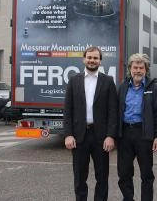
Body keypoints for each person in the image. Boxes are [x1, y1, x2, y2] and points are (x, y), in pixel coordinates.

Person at [64, 46, 118, 201]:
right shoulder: (74, 80)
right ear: (84, 59)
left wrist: (110, 136)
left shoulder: (108, 81)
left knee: (102, 177)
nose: (92, 60)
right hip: (79, 136)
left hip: (101, 137)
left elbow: (113, 111)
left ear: (100, 61)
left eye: (95, 58)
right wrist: (68, 134)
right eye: (89, 57)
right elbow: (68, 110)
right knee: (80, 178)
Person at [117, 53, 157, 201]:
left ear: (146, 70)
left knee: (146, 175)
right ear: (130, 68)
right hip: (125, 134)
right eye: (135, 67)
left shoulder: (153, 87)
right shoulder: (123, 87)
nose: (137, 70)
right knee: (124, 173)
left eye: (141, 68)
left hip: (144, 134)